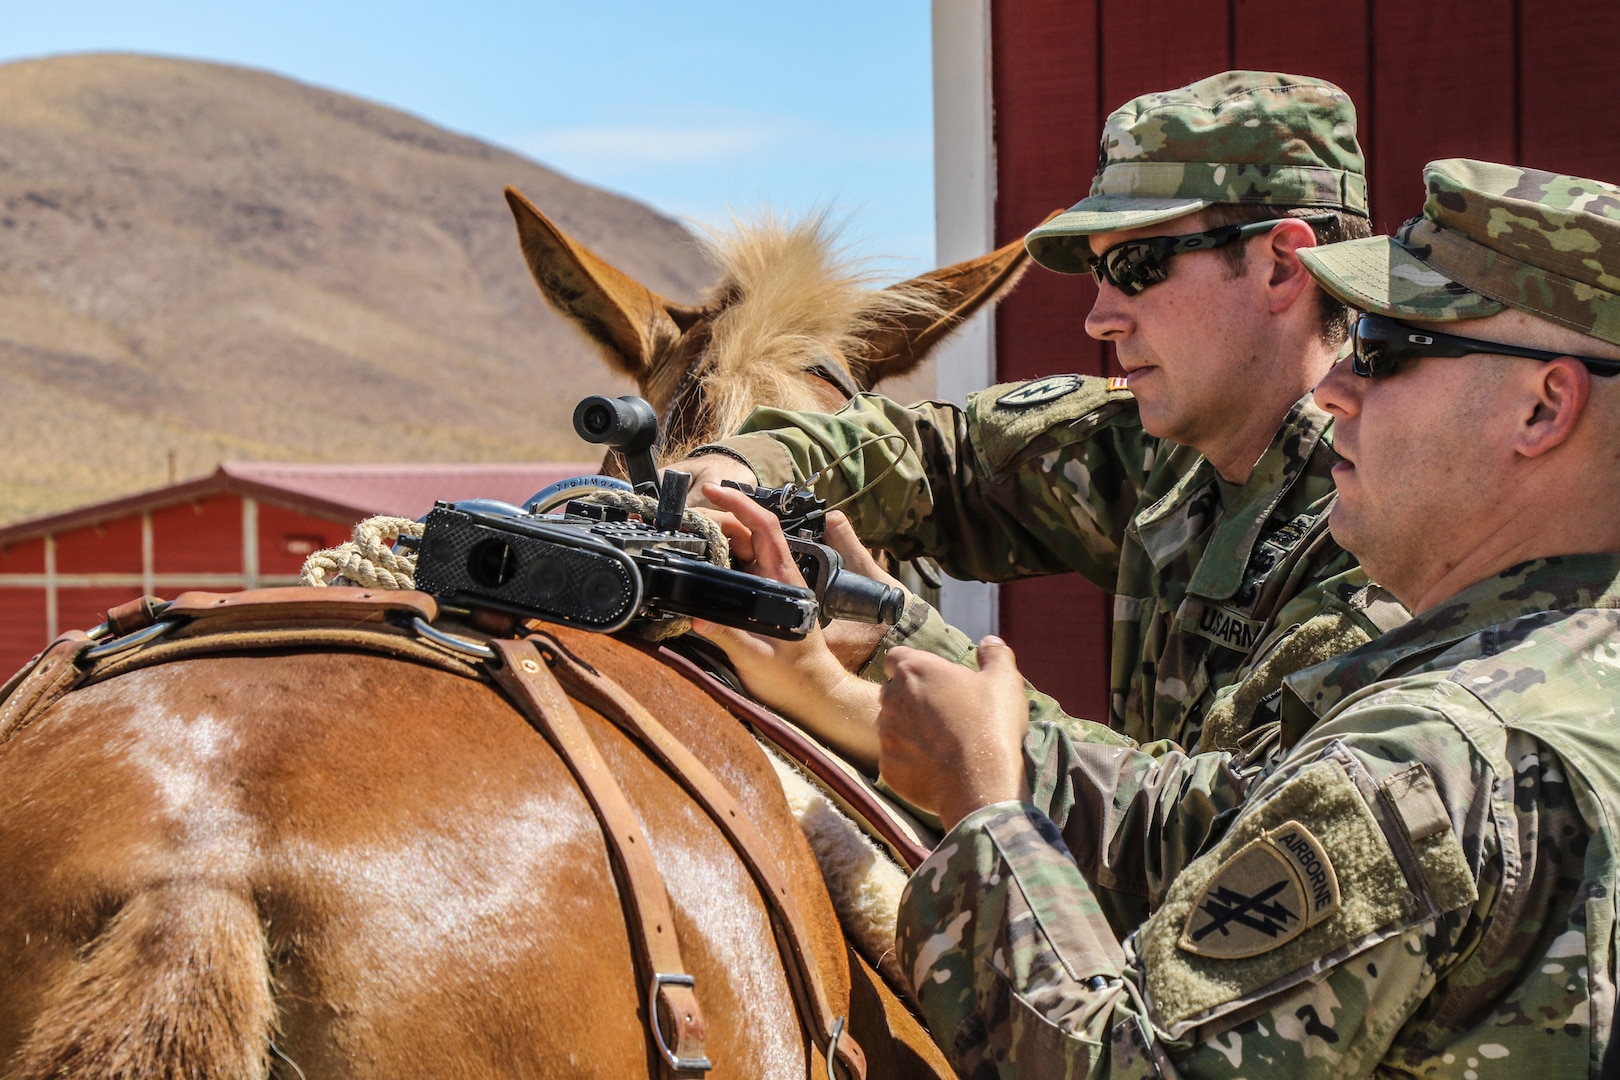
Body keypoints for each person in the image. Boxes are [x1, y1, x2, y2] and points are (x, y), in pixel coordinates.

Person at [875, 158, 1620, 1077]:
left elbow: (1124, 1063)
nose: (1338, 386)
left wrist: (986, 810)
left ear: (1544, 406)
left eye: (1387, 349)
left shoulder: (1429, 758)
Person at [680, 70, 1401, 758]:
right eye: (1097, 272)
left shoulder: (1392, 531)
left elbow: (1200, 825)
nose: (1100, 318)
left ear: (1281, 266)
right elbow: (947, 455)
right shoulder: (1169, 452)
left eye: (1137, 267)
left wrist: (888, 638)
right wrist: (731, 470)